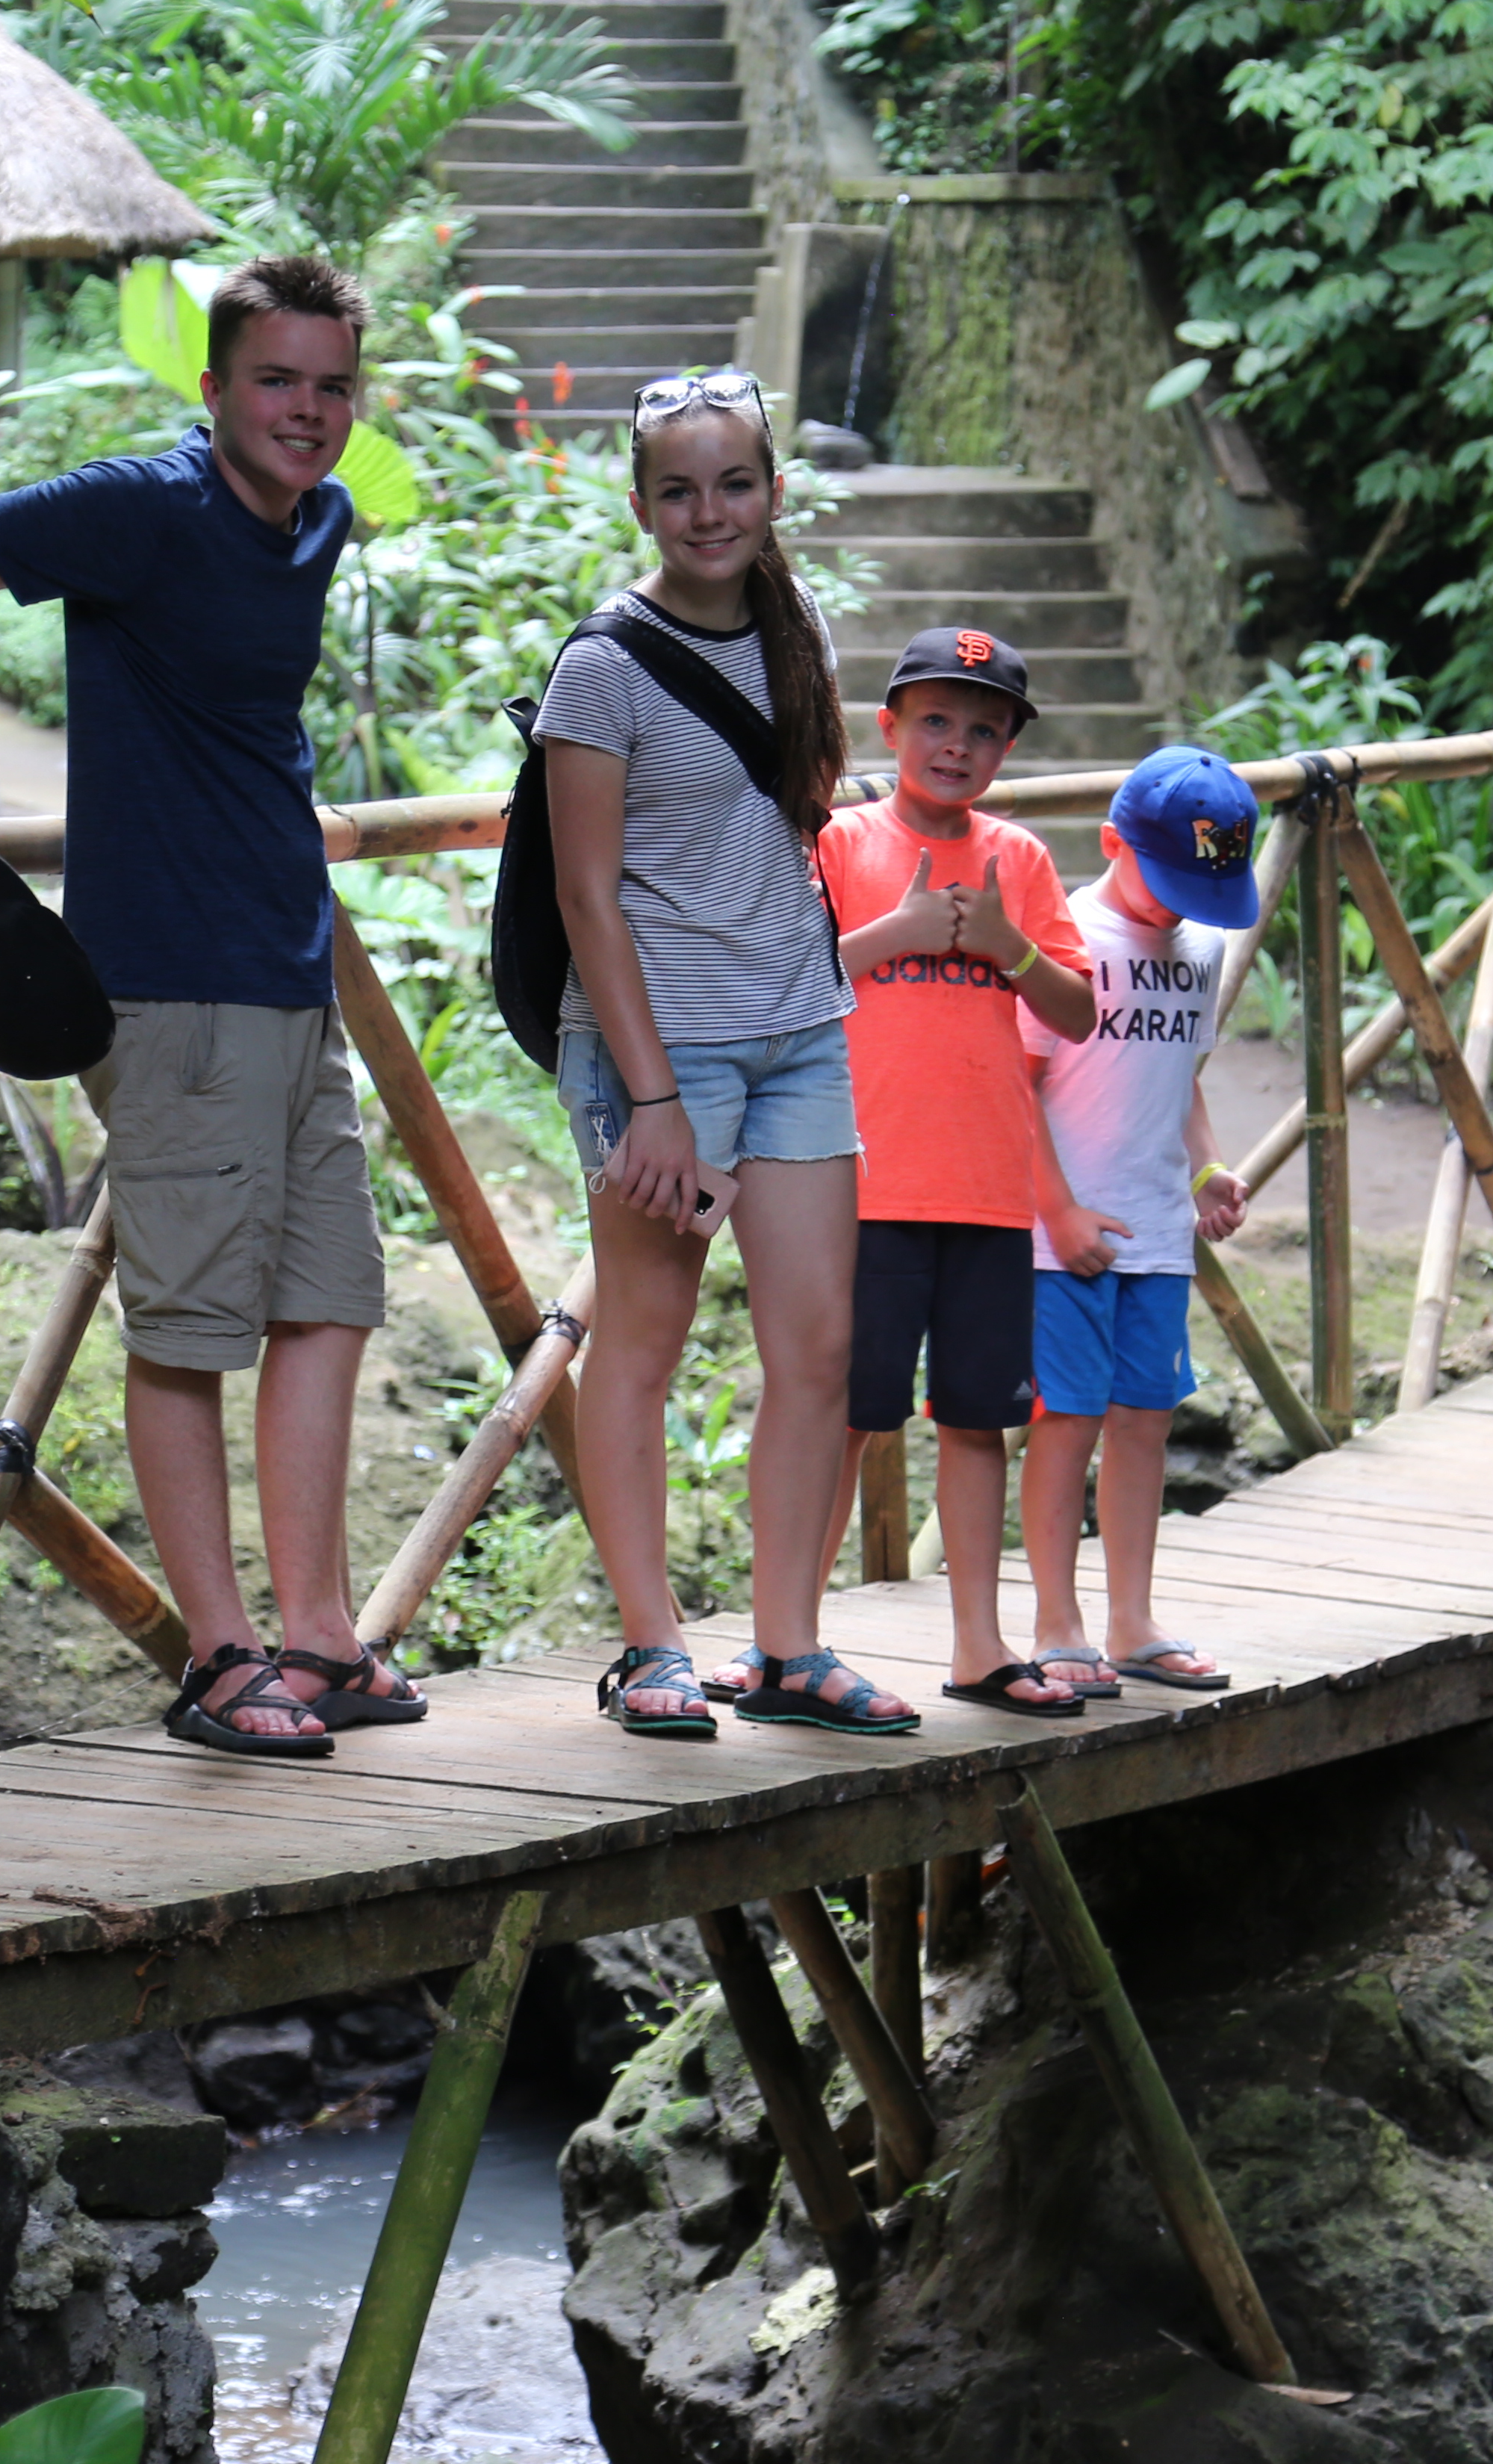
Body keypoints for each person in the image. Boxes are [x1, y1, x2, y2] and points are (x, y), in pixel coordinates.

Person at [0, 252, 423, 1759]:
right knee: (188, 1326)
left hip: (290, 965)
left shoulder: (319, 523)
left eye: (329, 386)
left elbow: (237, 707)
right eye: (276, 381)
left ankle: (317, 1636)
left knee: (327, 1305)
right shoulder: (147, 506)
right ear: (216, 389)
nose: (305, 411)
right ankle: (218, 1655)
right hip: (172, 981)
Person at [538, 370, 917, 1741]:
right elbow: (587, 897)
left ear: (770, 493)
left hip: (800, 1030)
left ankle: (786, 1644)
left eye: (735, 483)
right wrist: (649, 1104)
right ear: (642, 504)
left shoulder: (794, 623)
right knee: (639, 1342)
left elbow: (795, 810)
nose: (710, 511)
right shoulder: (600, 665)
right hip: (665, 1051)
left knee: (819, 1344)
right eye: (680, 489)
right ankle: (650, 1645)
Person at [757, 627, 1099, 1716]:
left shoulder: (1022, 862)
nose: (957, 745)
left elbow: (1079, 1009)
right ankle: (788, 1641)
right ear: (890, 727)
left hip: (987, 1189)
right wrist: (896, 928)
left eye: (983, 730)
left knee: (976, 1420)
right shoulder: (839, 844)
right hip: (858, 1184)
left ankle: (980, 1645)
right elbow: (787, 977)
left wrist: (1011, 948)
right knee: (842, 1416)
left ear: (1005, 751)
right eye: (937, 721)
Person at [1019, 745, 1264, 1700]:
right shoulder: (1069, 936)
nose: (1179, 906)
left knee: (1144, 1423)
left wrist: (1206, 1168)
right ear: (1112, 842)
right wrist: (1058, 1209)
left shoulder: (1201, 946)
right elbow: (1023, 1082)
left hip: (1158, 1234)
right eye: (1166, 882)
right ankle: (1056, 1621)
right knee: (1067, 1420)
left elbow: (1182, 1077)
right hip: (1062, 1238)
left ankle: (1131, 1618)